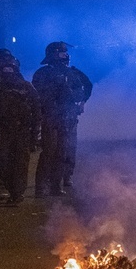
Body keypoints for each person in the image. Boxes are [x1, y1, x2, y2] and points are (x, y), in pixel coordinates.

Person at [32, 41, 92, 197]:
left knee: (62, 152)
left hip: (67, 119)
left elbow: (81, 91)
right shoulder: (42, 73)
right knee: (48, 152)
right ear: (54, 54)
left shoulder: (71, 73)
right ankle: (41, 187)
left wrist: (75, 97)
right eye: (62, 52)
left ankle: (56, 186)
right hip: (51, 118)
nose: (66, 55)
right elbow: (38, 95)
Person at [0, 55, 41, 204]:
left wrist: (35, 132)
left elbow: (37, 109)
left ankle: (17, 194)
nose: (7, 71)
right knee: (4, 163)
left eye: (10, 69)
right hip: (3, 131)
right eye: (5, 69)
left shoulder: (26, 87)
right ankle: (11, 188)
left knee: (20, 163)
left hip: (22, 130)